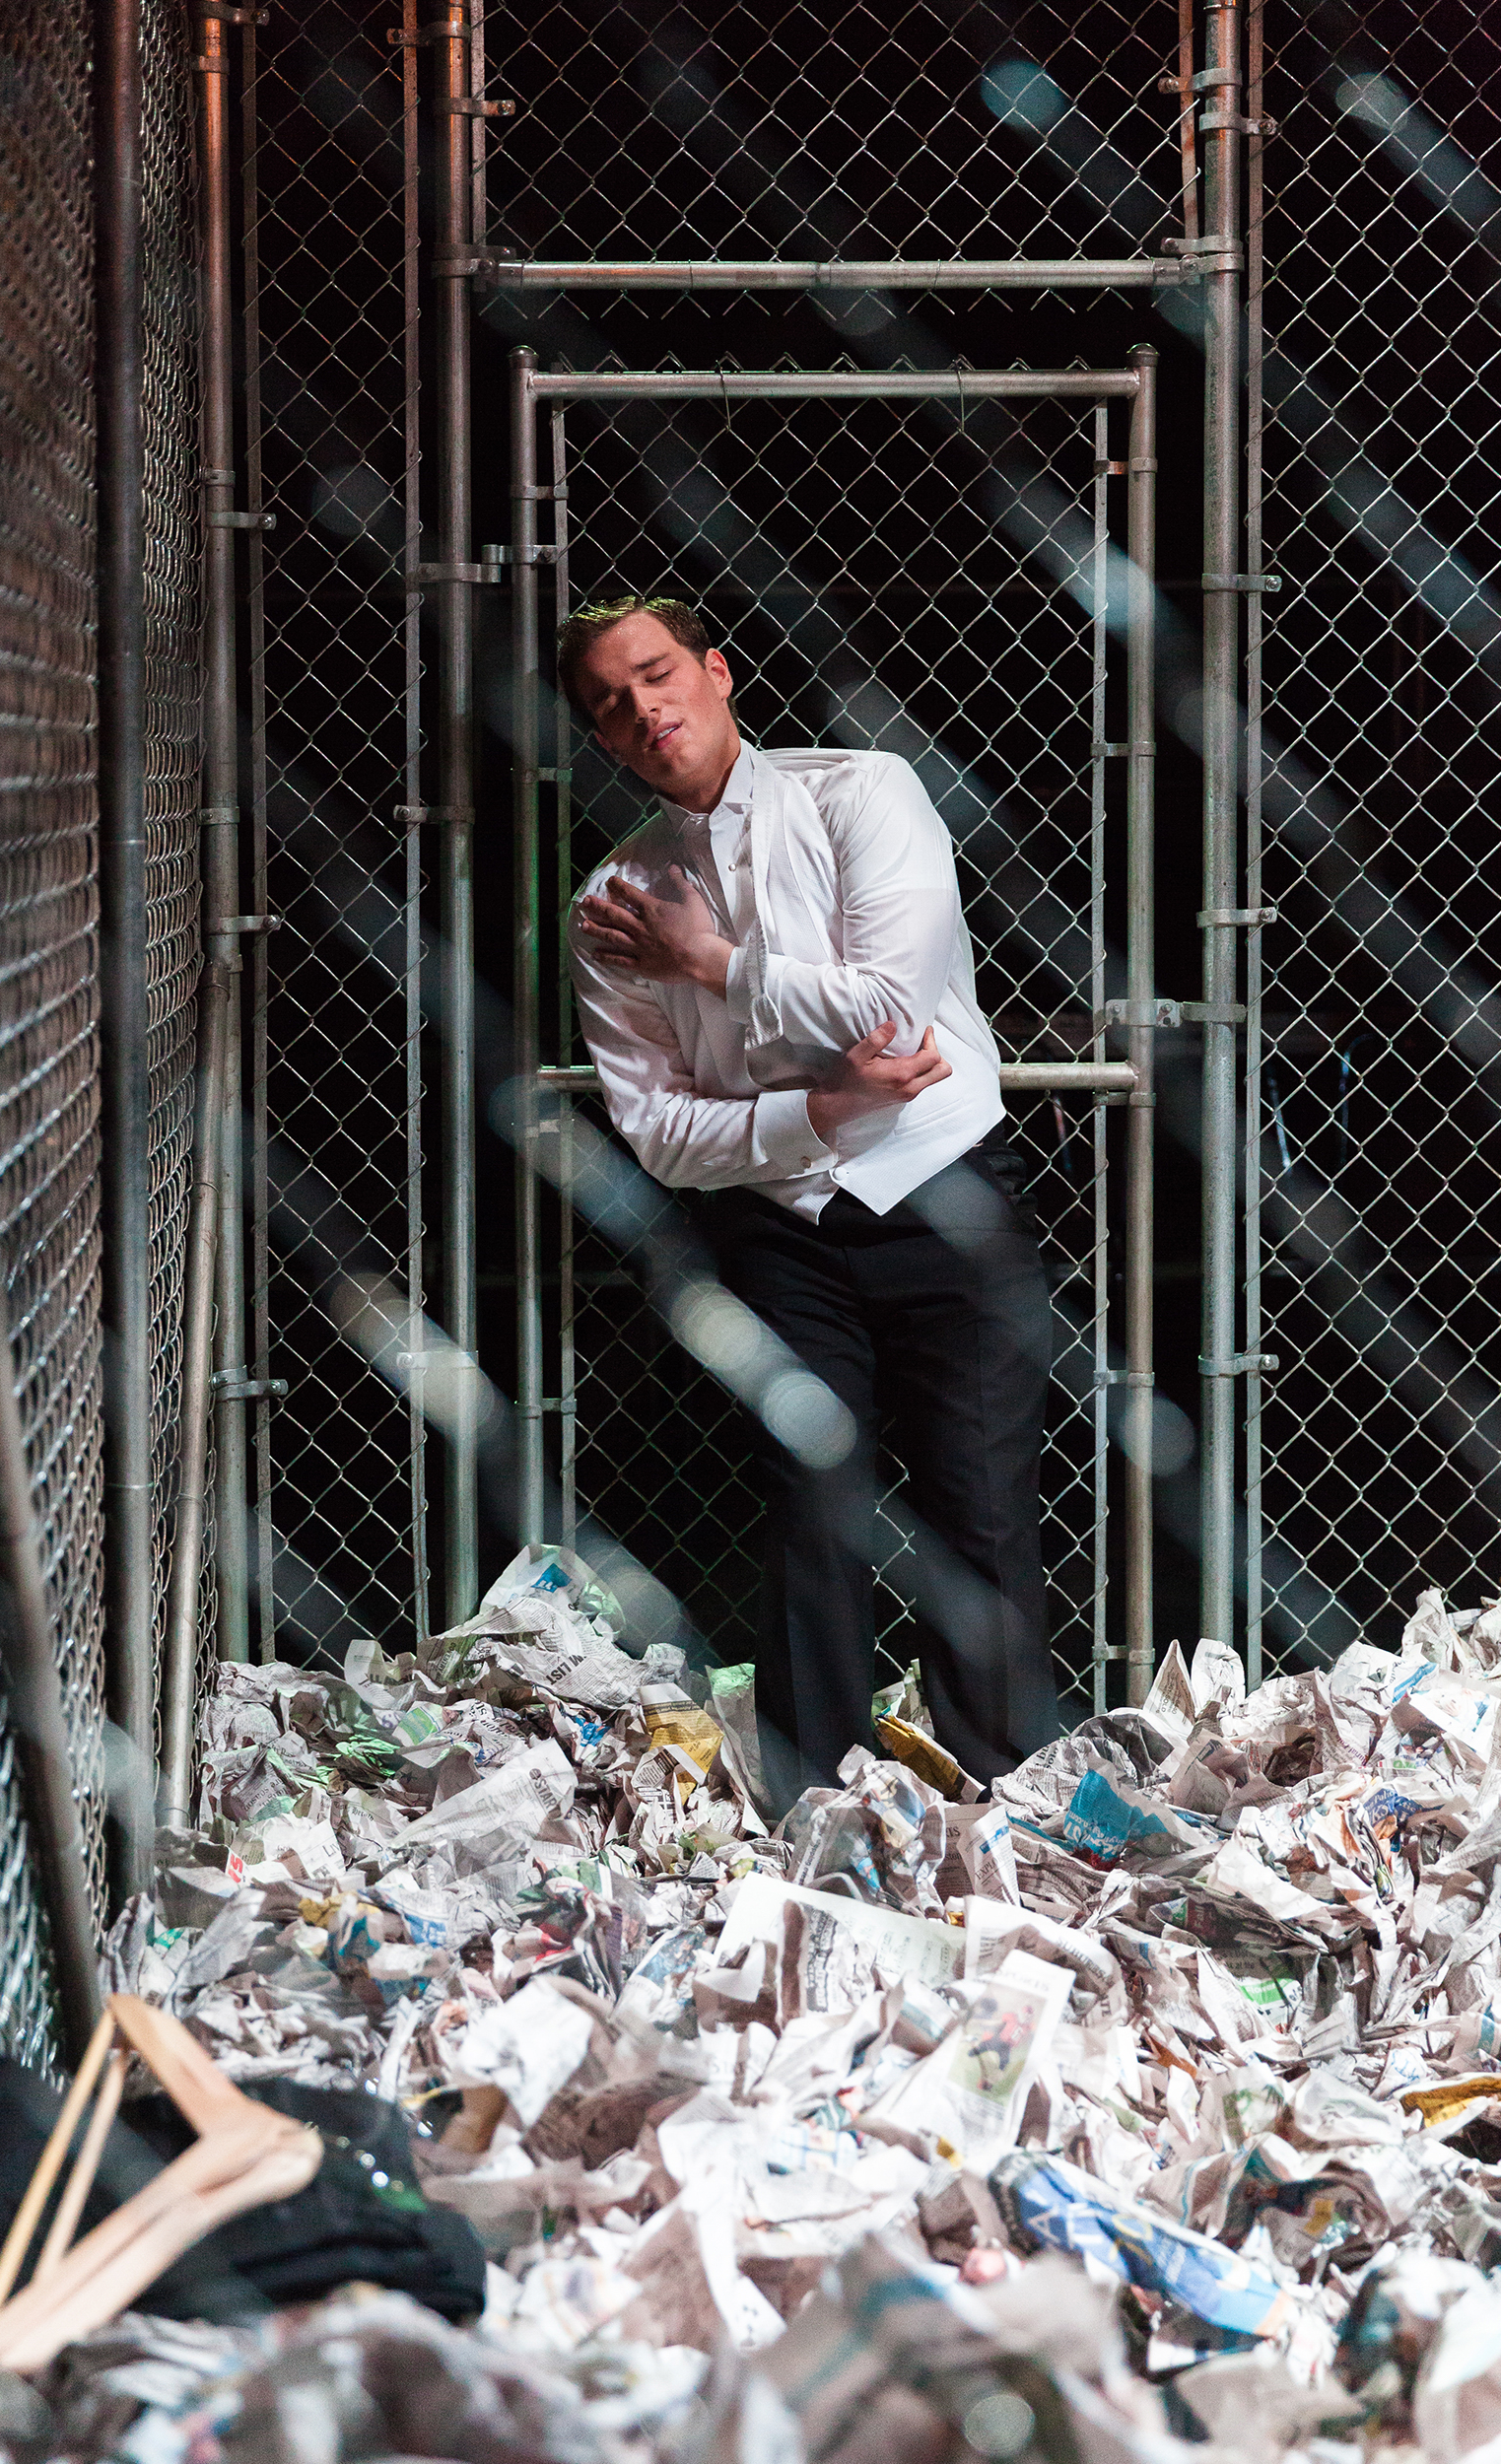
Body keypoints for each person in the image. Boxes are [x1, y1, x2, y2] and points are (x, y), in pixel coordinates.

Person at [562, 592, 1060, 1804]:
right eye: (611, 704)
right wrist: (820, 1112)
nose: (645, 708)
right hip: (777, 1224)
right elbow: (666, 1138)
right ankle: (818, 1805)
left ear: (716, 673)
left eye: (658, 672)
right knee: (809, 1512)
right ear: (603, 740)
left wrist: (711, 967)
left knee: (978, 1501)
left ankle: (1004, 1796)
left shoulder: (863, 792)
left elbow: (892, 1007)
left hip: (940, 1181)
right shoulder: (607, 905)